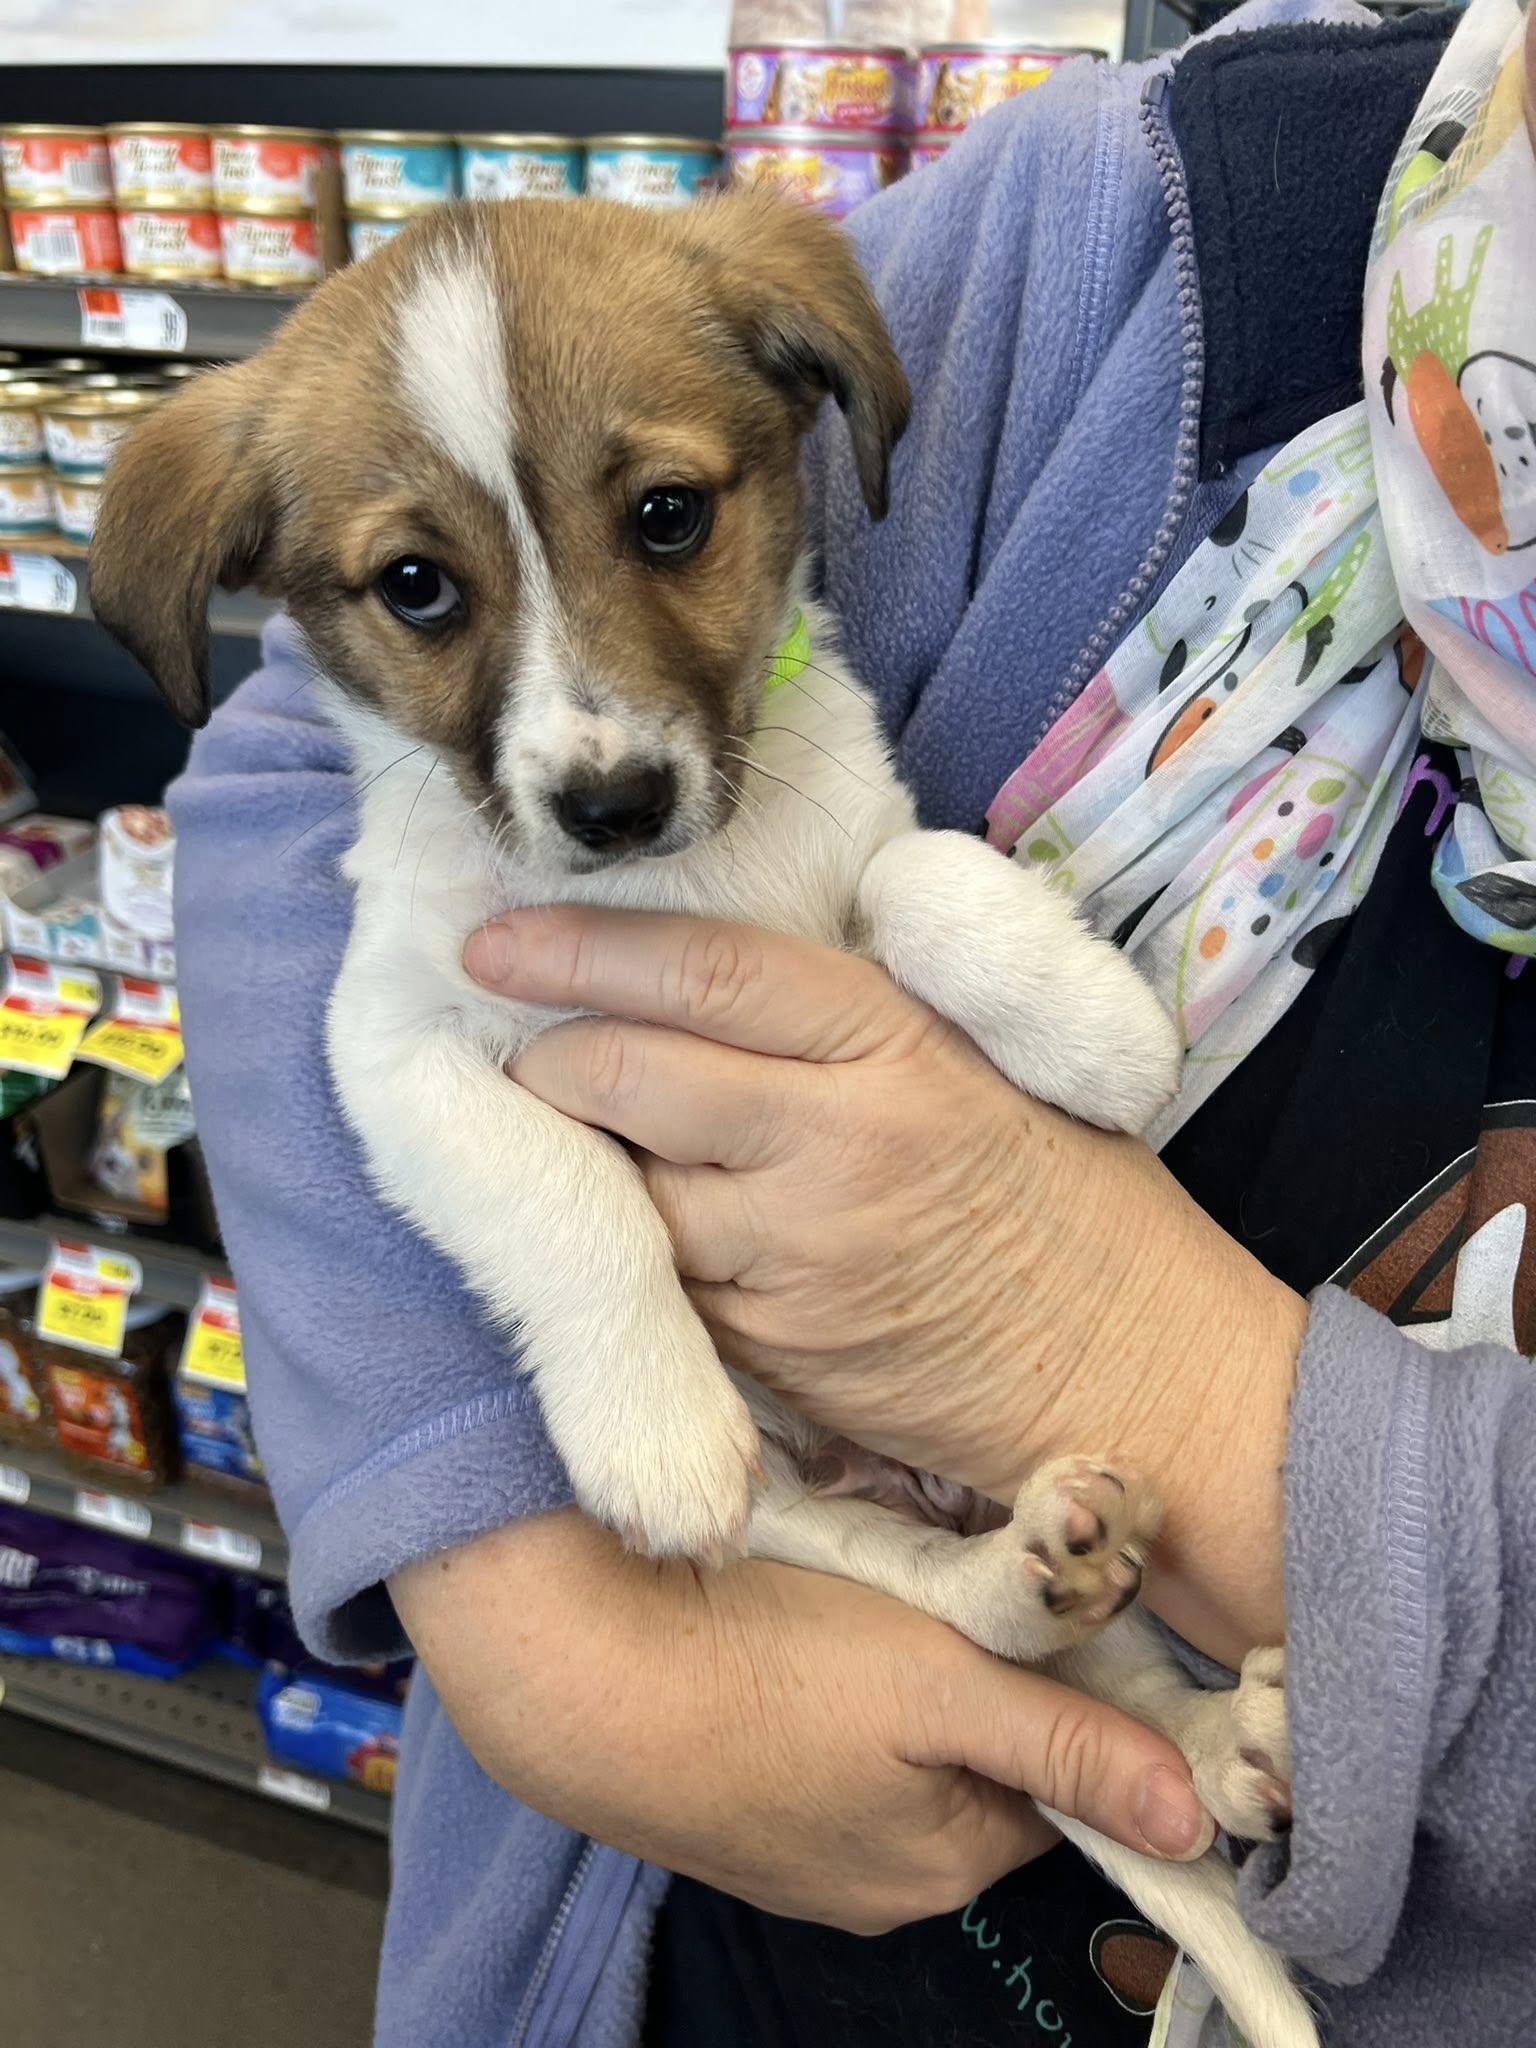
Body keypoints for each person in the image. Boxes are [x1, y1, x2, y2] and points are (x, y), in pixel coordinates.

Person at [169, 1, 1536, 2044]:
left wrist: (1123, 1345)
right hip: (686, 1911)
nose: (589, 731)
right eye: (427, 592)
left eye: (661, 526)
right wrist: (558, 1637)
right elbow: (294, 825)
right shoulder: (1127, 231)